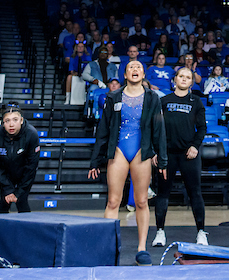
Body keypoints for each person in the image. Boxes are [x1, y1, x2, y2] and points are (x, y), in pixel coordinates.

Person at [87, 60, 167, 266]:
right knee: (113, 202)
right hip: (119, 151)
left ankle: (141, 249)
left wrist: (162, 158)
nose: (135, 69)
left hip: (142, 151)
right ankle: (107, 248)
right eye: (131, 67)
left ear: (143, 74)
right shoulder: (113, 96)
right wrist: (95, 160)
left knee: (141, 201)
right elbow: (103, 129)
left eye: (139, 67)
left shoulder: (152, 97)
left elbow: (159, 129)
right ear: (125, 74)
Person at [152, 67, 209, 248]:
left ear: (191, 82)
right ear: (175, 79)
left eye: (188, 77)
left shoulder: (196, 102)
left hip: (188, 155)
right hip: (167, 154)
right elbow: (155, 128)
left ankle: (201, 232)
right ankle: (160, 232)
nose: (184, 79)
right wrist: (155, 151)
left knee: (195, 193)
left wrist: (195, 146)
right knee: (163, 193)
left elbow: (202, 128)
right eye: (181, 76)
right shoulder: (163, 101)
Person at [0, 104, 41, 213]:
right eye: (7, 121)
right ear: (3, 122)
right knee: (4, 202)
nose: (11, 124)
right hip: (5, 173)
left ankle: (26, 224)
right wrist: (8, 189)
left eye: (15, 120)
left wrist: (19, 192)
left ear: (21, 120)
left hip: (24, 173)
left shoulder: (31, 134)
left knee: (21, 201)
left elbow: (32, 165)